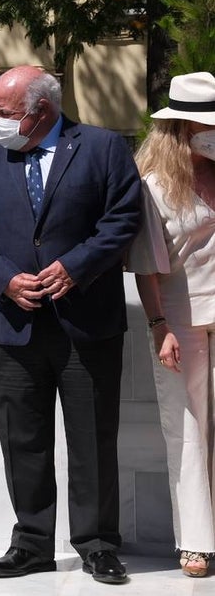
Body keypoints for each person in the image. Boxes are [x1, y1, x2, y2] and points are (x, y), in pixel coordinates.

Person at [0, 65, 141, 584]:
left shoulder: (102, 148)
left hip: (87, 326)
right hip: (17, 327)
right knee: (23, 441)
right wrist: (6, 280)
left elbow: (123, 219)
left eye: (6, 114)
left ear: (42, 111)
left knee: (93, 442)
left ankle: (98, 544)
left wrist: (77, 267)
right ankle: (32, 543)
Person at [129, 71, 215, 578]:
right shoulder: (154, 185)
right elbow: (146, 264)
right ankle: (197, 542)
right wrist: (159, 326)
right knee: (187, 429)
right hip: (181, 317)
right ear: (180, 126)